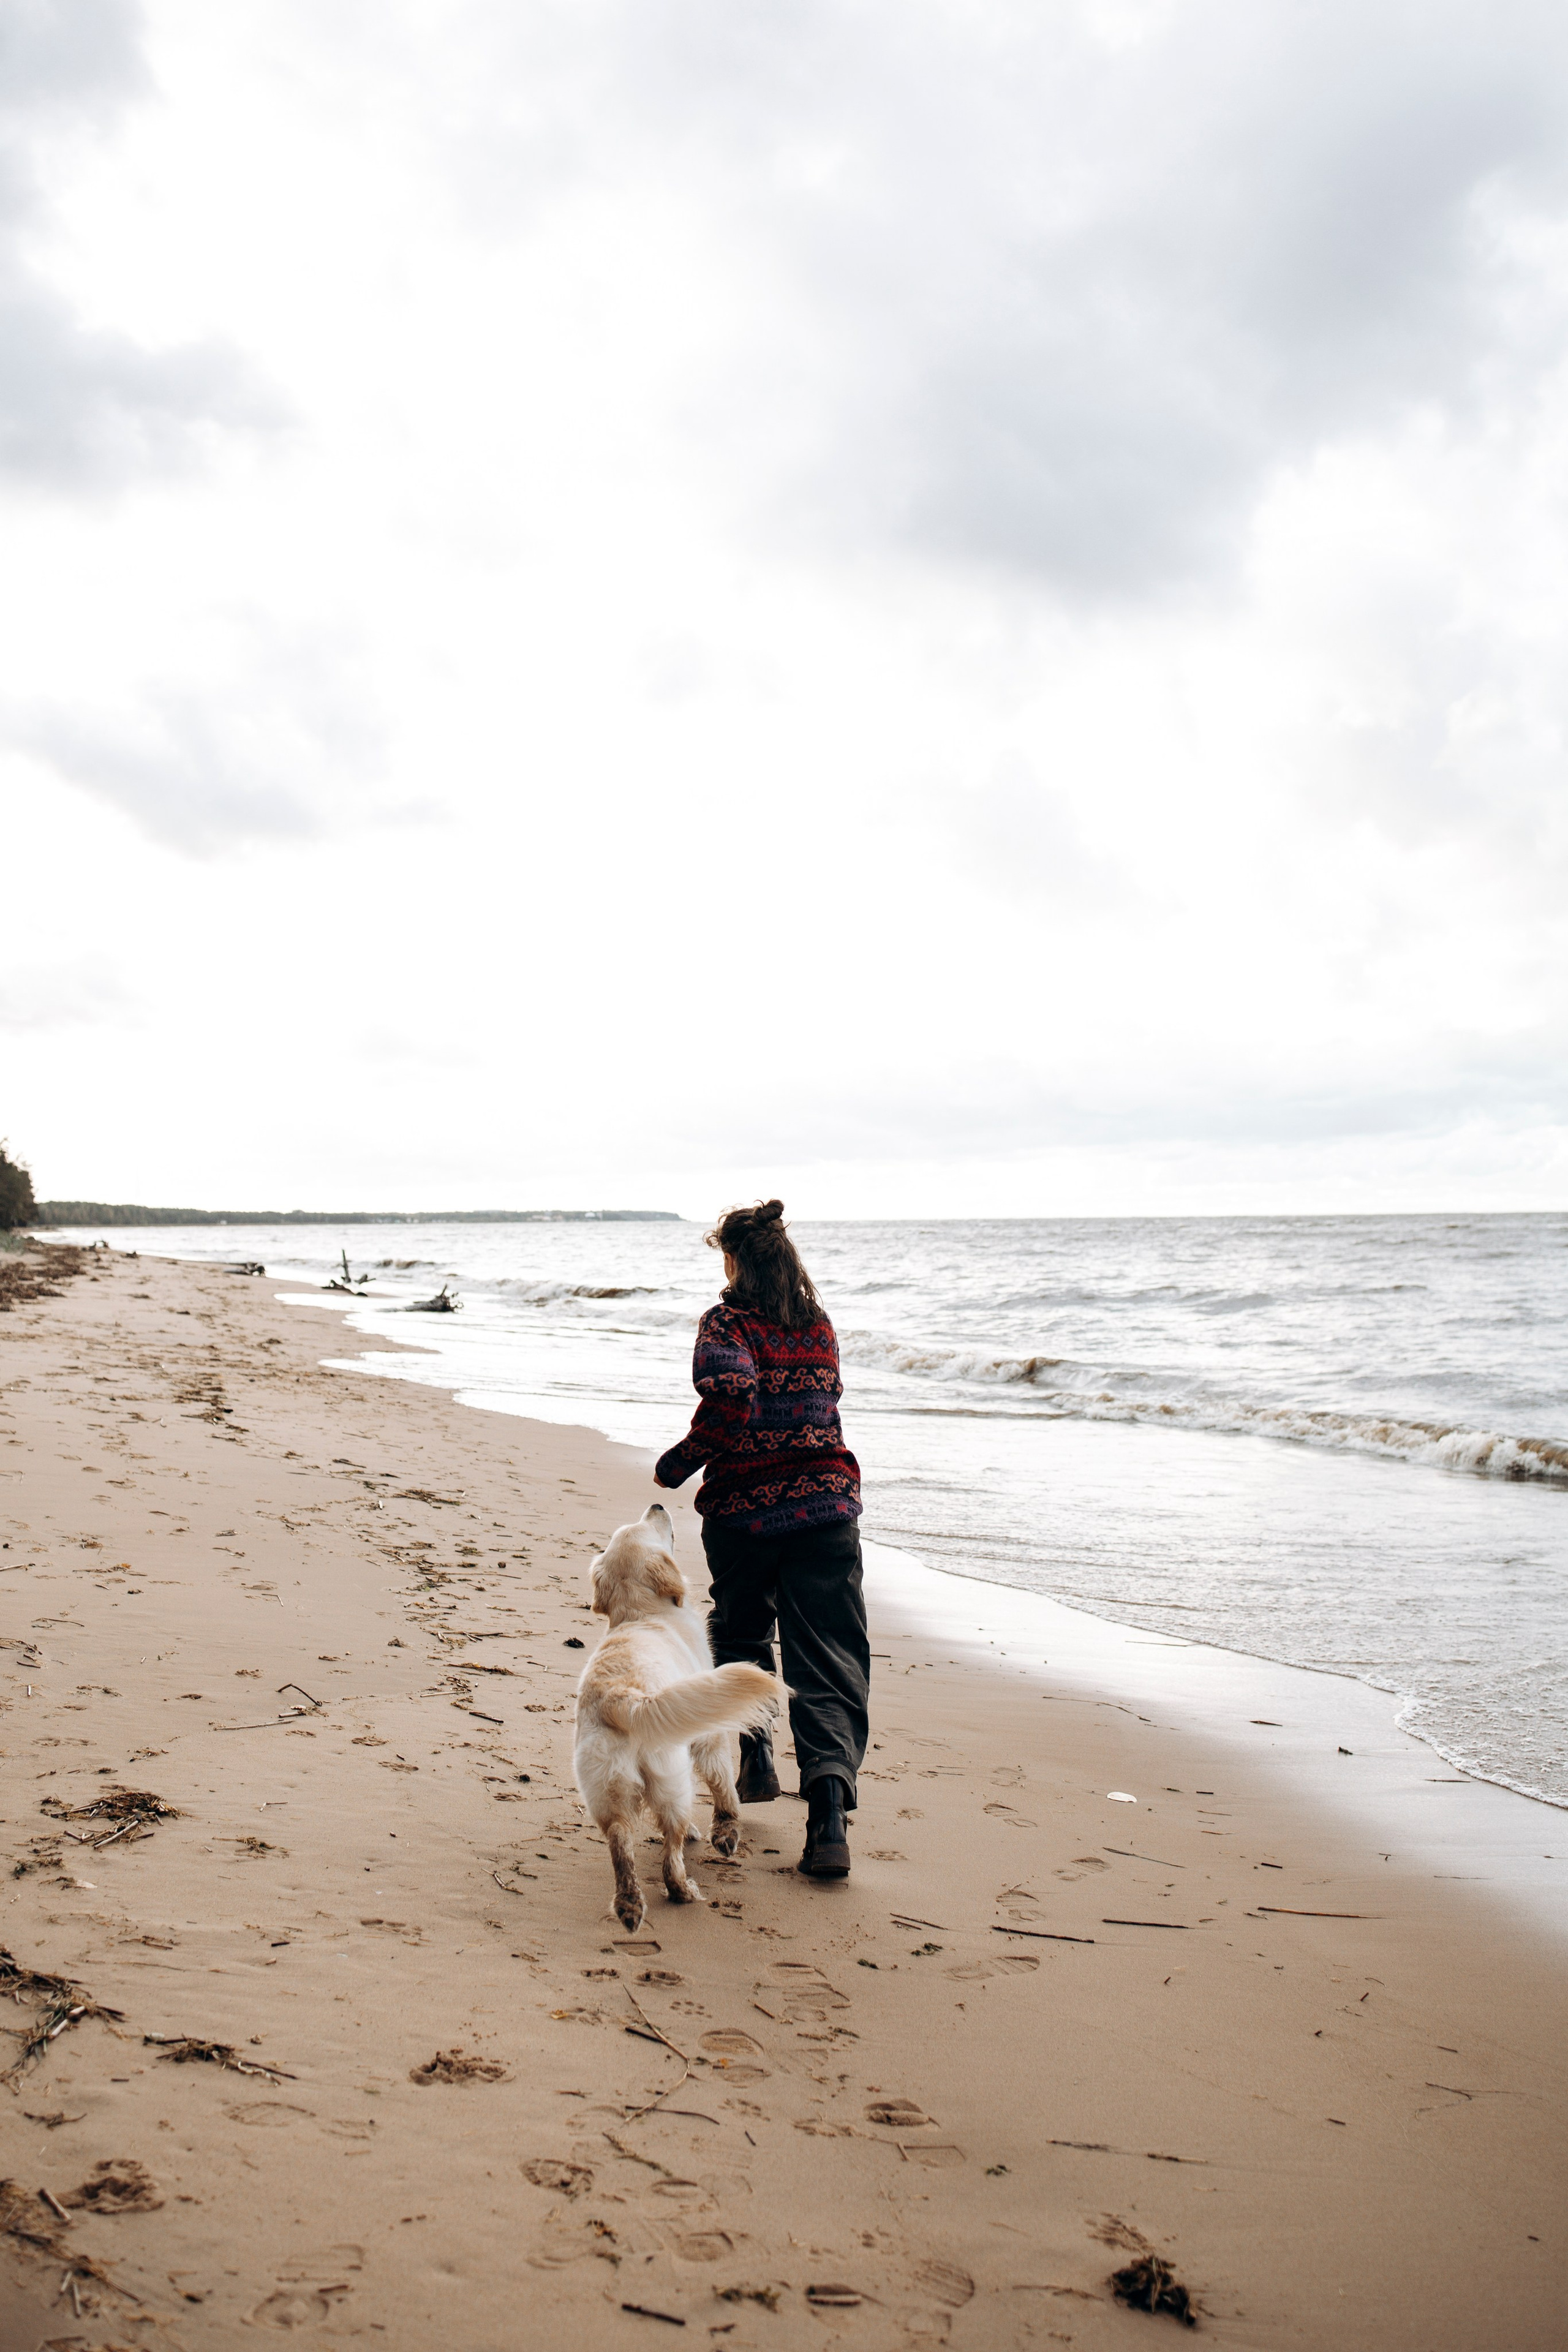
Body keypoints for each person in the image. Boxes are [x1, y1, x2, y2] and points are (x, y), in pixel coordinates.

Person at [654, 1200, 868, 1879]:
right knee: (828, 1662)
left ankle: (751, 1757)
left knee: (743, 1635)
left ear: (735, 1260)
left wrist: (681, 1462)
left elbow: (732, 1391)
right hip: (828, 1511)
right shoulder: (818, 1325)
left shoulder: (726, 1321)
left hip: (745, 1513)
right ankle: (828, 1820)